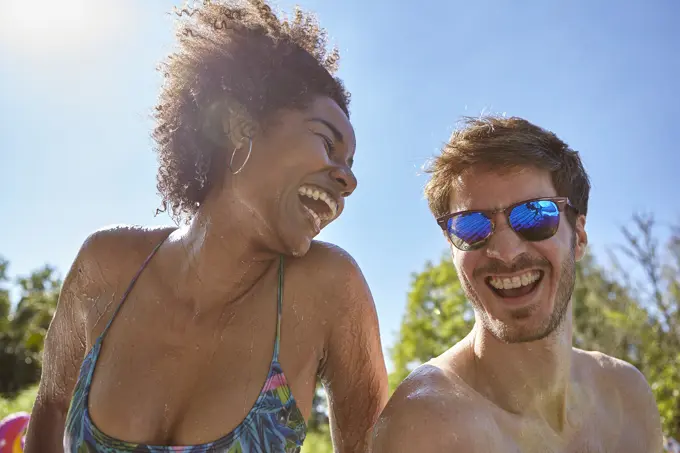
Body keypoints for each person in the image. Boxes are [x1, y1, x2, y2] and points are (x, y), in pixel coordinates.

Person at [23, 1, 388, 452]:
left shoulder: (329, 289)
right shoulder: (107, 264)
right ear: (239, 127)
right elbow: (51, 406)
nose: (348, 180)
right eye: (327, 143)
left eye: (350, 165)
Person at [372, 116, 664, 452]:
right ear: (452, 247)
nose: (506, 253)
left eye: (535, 215)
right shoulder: (426, 427)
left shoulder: (627, 396)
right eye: (471, 226)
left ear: (579, 236)